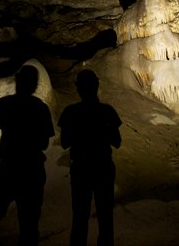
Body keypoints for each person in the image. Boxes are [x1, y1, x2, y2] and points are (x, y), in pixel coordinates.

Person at [0, 64, 55, 246]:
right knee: (29, 225)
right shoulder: (41, 108)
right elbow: (45, 143)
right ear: (35, 85)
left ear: (18, 81)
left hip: (8, 168)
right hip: (32, 170)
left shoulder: (4, 104)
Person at [57, 69, 122, 246]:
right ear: (96, 86)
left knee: (79, 217)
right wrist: (102, 130)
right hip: (103, 168)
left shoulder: (70, 112)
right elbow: (117, 142)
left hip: (81, 169)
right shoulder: (107, 111)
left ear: (78, 89)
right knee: (105, 217)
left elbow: (64, 143)